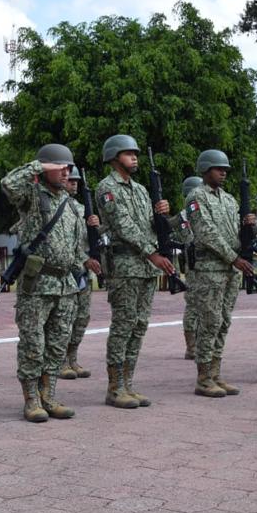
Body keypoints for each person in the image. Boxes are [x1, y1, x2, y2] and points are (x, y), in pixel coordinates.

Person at [1, 144, 87, 423]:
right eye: (60, 167)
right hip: (38, 284)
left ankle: (48, 396)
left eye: (68, 168)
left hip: (66, 285)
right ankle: (31, 400)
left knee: (57, 345)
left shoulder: (72, 205)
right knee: (33, 345)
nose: (65, 172)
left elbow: (77, 246)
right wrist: (39, 166)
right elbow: (8, 184)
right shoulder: (31, 196)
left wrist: (80, 273)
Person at [95, 134, 175, 409]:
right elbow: (123, 226)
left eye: (136, 154)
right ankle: (115, 388)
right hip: (125, 266)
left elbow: (150, 227)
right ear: (114, 157)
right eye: (129, 153)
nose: (135, 158)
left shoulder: (141, 190)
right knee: (123, 324)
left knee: (139, 326)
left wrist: (162, 214)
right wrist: (152, 254)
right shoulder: (106, 188)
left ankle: (128, 384)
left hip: (145, 267)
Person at [185, 150, 257, 397]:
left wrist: (250, 226)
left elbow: (236, 233)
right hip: (210, 269)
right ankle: (204, 378)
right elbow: (206, 232)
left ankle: (215, 373)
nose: (223, 172)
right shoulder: (196, 196)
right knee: (210, 322)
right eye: (218, 169)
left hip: (230, 270)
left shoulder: (229, 200)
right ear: (205, 170)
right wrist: (234, 258)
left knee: (223, 322)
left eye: (225, 169)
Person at [58, 166, 102, 381]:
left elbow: (87, 238)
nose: (74, 183)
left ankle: (72, 358)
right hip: (67, 271)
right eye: (71, 180)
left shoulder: (82, 208)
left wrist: (98, 226)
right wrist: (84, 260)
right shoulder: (57, 207)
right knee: (64, 319)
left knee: (82, 317)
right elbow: (65, 243)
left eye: (76, 180)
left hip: (83, 273)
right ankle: (60, 361)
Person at [177, 175, 203, 360]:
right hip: (194, 264)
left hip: (207, 264)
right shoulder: (184, 216)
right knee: (193, 305)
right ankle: (191, 346)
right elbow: (188, 238)